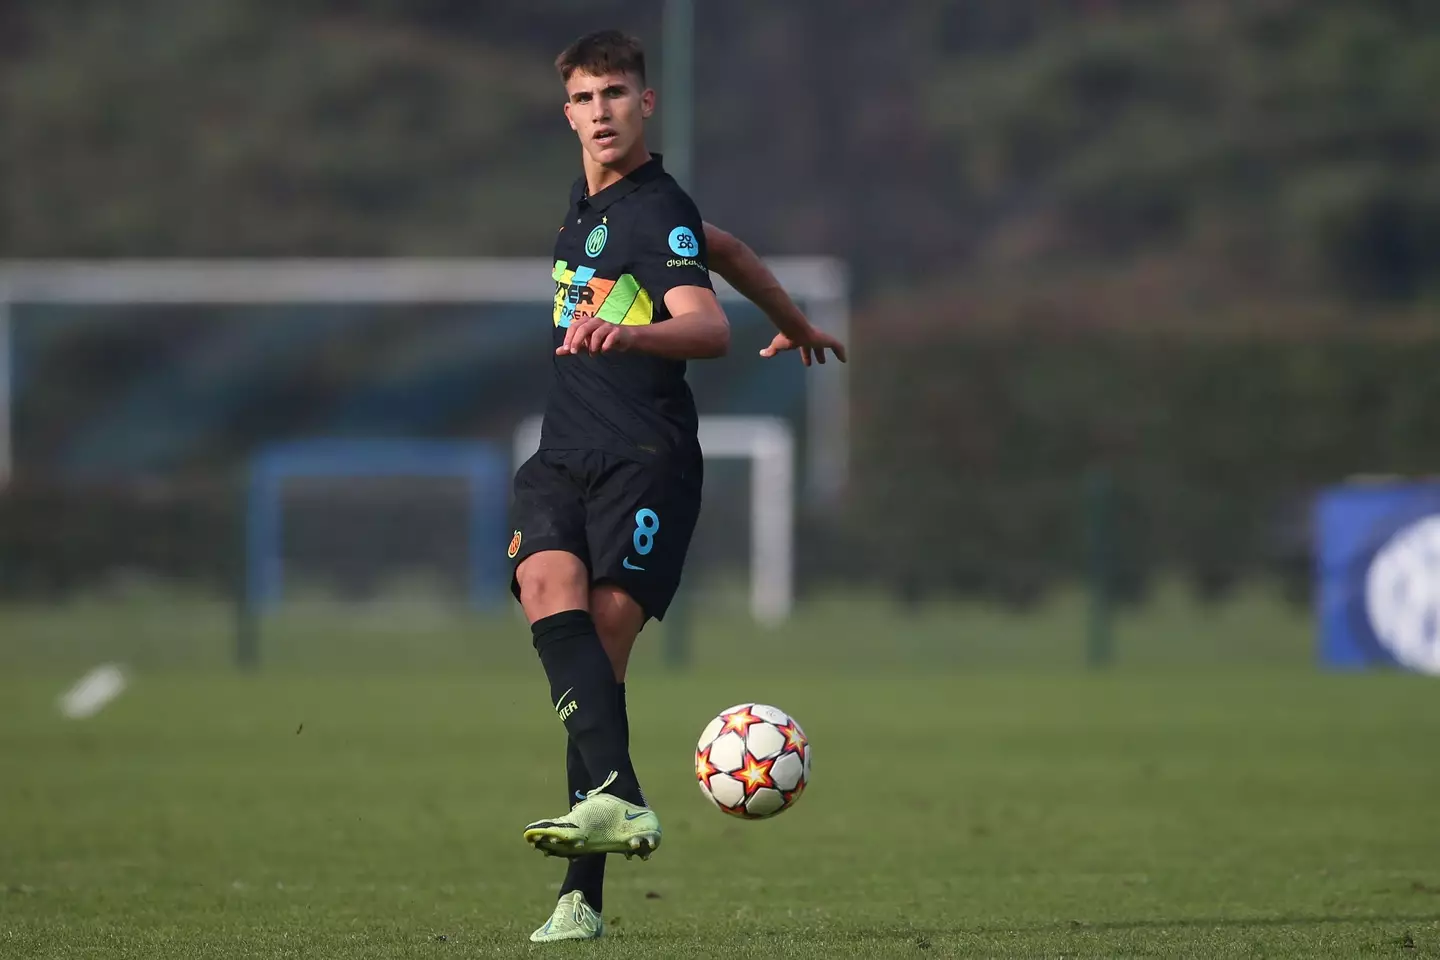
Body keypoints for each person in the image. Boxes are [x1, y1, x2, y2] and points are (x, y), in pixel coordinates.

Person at [510, 28, 846, 944]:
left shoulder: (656, 207)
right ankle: (617, 805)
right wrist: (798, 318)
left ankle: (582, 894)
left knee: (599, 662)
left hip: (643, 459)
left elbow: (706, 329)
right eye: (583, 98)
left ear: (644, 103)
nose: (599, 112)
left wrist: (633, 333)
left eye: (614, 93)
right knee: (550, 600)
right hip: (564, 451)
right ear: (567, 110)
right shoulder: (590, 205)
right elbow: (726, 248)